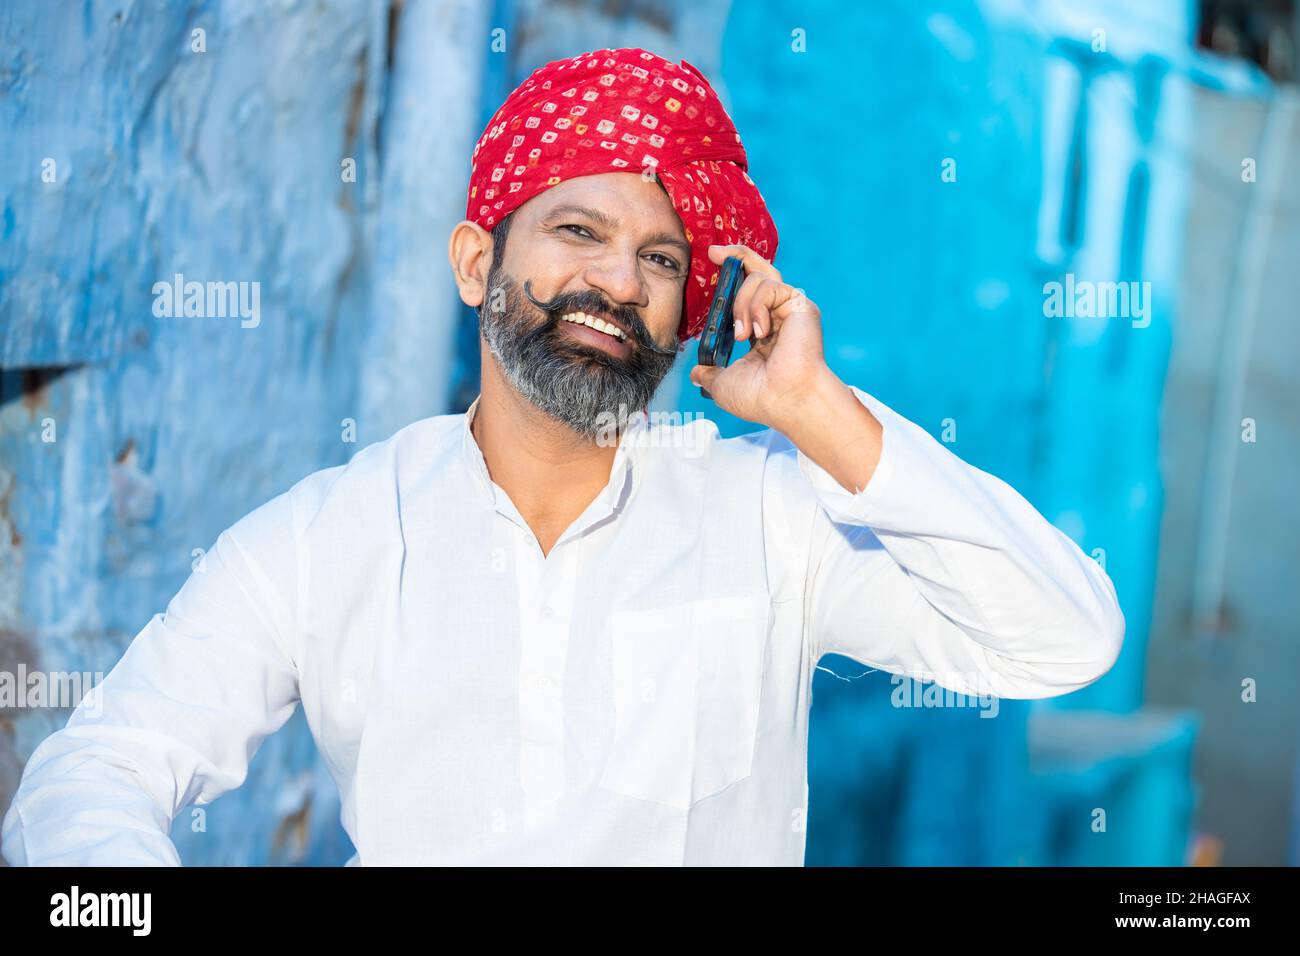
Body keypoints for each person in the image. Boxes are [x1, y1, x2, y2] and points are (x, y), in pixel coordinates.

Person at [1, 47, 1123, 866]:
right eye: (577, 232)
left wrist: (816, 409)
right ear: (476, 261)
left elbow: (1064, 638)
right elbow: (95, 771)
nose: (620, 282)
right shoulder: (328, 534)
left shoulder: (766, 519)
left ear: (689, 314)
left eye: (660, 257)